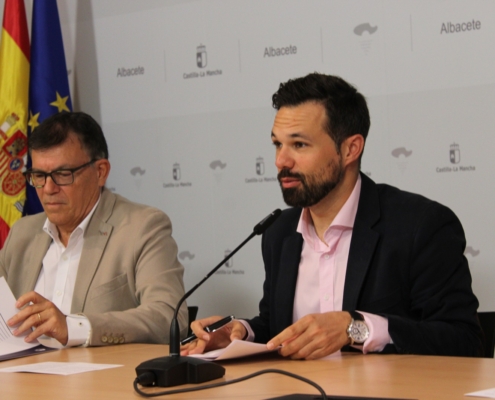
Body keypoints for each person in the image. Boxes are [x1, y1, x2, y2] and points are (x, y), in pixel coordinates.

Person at [182, 73, 483, 359]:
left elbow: (464, 341)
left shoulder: (421, 225)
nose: (280, 161)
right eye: (277, 144)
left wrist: (356, 329)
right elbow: (278, 326)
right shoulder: (280, 233)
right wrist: (242, 334)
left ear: (350, 149)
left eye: (299, 144)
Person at [0, 112, 188, 347]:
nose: (48, 188)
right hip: (21, 379)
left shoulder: (143, 227)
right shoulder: (22, 232)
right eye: (38, 175)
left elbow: (169, 317)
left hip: (101, 381)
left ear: (100, 172)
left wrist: (74, 327)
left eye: (62, 174)